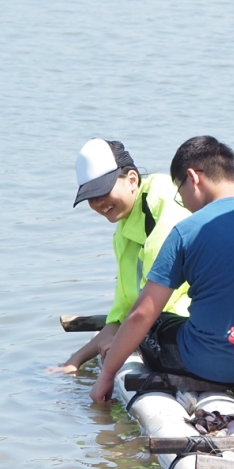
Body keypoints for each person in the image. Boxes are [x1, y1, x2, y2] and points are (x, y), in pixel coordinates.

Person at [90, 136, 234, 404]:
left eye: (180, 190)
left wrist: (106, 374)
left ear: (193, 178)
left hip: (211, 366)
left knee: (154, 324)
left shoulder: (187, 231)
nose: (182, 201)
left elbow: (142, 315)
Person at [56, 138, 191, 373]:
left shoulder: (164, 202)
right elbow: (121, 316)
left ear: (131, 180)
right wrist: (73, 361)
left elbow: (151, 307)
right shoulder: (123, 232)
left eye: (103, 191)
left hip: (192, 330)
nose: (98, 203)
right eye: (91, 196)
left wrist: (117, 349)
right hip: (155, 329)